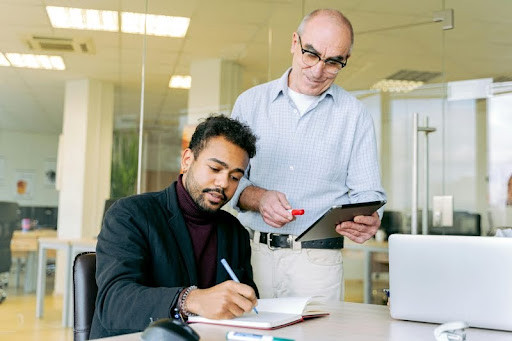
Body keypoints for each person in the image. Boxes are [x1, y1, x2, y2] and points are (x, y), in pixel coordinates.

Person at [231, 9, 386, 302]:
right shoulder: (249, 104)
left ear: (345, 60)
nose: (317, 71)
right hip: (251, 255)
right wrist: (259, 197)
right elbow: (229, 183)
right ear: (294, 42)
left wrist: (371, 217)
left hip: (318, 265)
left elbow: (368, 192)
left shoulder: (355, 116)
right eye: (311, 54)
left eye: (332, 62)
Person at [90, 115, 259, 339]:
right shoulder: (130, 215)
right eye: (215, 169)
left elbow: (245, 301)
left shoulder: (234, 231)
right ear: (187, 160)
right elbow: (114, 303)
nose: (224, 183)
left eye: (235, 177)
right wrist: (191, 299)